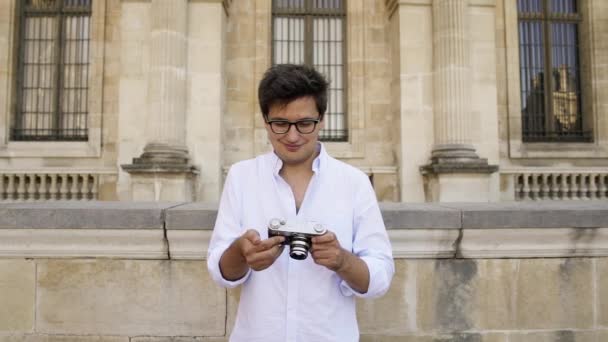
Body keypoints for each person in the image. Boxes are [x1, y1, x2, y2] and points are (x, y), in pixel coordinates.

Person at [207, 64, 394, 342]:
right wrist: (241, 253)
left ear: (322, 119)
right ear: (264, 120)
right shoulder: (242, 177)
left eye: (305, 124)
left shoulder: (353, 183)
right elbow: (220, 270)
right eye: (280, 124)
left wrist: (342, 261)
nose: (293, 137)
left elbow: (379, 277)